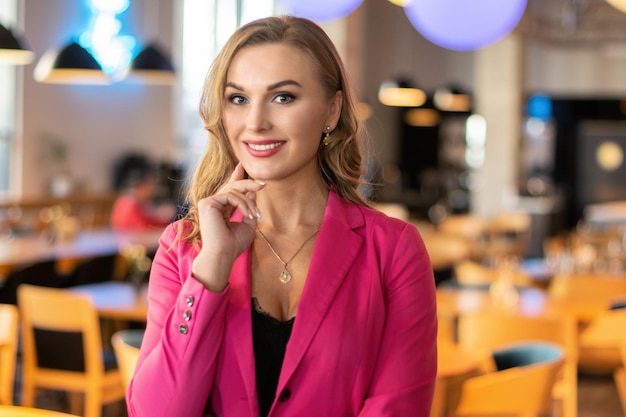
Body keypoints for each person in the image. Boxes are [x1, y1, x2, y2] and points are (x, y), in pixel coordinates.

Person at [127, 15, 437, 417]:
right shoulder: (184, 248)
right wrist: (212, 269)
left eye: (283, 97)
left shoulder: (393, 250)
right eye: (238, 99)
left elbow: (398, 408)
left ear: (332, 110)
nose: (255, 123)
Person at [110, 154, 176, 231]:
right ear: (142, 185)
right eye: (150, 185)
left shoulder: (137, 202)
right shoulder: (129, 204)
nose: (153, 189)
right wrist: (163, 218)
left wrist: (162, 217)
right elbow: (142, 228)